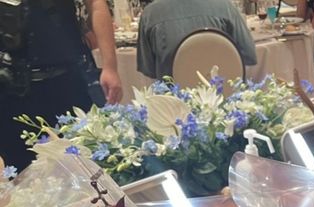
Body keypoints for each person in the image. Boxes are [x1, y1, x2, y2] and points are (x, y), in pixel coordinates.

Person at [0, 0, 122, 171]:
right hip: (11, 89)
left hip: (69, 80)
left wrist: (110, 67)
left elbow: (96, 4)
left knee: (91, 165)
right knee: (22, 172)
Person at [136, 0, 257, 80]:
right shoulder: (225, 7)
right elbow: (249, 56)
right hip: (224, 101)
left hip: (173, 106)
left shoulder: (149, 14)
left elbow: (149, 69)